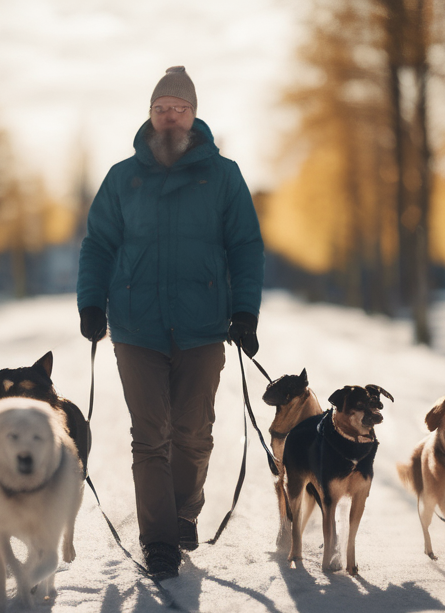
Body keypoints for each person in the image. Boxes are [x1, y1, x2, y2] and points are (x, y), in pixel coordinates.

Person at [76, 65, 265, 580]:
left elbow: (245, 246)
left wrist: (244, 311)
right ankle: (158, 542)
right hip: (136, 327)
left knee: (193, 432)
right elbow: (98, 245)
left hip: (203, 326)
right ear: (150, 115)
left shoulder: (223, 175)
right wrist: (91, 303)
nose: (170, 116)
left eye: (179, 108)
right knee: (149, 436)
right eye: (161, 108)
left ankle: (184, 511)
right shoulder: (122, 177)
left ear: (194, 115)